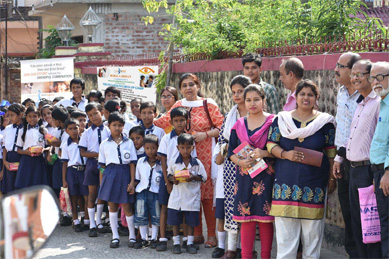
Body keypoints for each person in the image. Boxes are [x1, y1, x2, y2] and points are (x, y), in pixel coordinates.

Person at [267, 79, 336, 259]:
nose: (306, 98)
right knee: (285, 240)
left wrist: (331, 178)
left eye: (310, 95)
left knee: (312, 237)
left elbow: (330, 152)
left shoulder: (325, 122)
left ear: (316, 97)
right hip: (285, 184)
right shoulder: (281, 120)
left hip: (314, 186)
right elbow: (270, 144)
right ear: (295, 96)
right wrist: (285, 154)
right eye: (302, 94)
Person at [155, 73, 224, 247]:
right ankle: (197, 234)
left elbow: (223, 127)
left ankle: (211, 235)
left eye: (191, 84)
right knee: (191, 193)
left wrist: (205, 134)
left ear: (198, 85)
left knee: (207, 196)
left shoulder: (209, 104)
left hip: (205, 155)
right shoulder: (178, 105)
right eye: (184, 85)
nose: (188, 88)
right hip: (183, 156)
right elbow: (162, 122)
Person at [333, 59, 382, 258]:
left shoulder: (378, 103)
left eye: (360, 74)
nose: (355, 78)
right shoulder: (359, 103)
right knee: (355, 221)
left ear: (371, 78)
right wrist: (339, 157)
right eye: (353, 74)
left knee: (371, 224)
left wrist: (378, 172)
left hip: (368, 169)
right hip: (351, 168)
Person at [227, 84, 275, 259]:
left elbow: (281, 148)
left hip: (267, 176)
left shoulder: (273, 122)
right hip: (245, 176)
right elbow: (231, 151)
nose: (252, 103)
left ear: (264, 100)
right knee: (246, 219)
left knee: (265, 219)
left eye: (256, 99)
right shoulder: (239, 124)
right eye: (248, 100)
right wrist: (240, 161)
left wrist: (265, 152)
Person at [216, 75, 251, 258]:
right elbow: (222, 139)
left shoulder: (256, 111)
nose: (237, 95)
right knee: (232, 205)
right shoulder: (230, 116)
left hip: (253, 166)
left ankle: (247, 250)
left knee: (248, 206)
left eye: (240, 91)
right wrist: (228, 151)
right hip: (231, 166)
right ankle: (231, 249)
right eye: (234, 92)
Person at [332, 52, 361, 258]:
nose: (336, 69)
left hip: (361, 162)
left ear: (352, 71)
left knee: (362, 212)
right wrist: (337, 158)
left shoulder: (366, 96)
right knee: (347, 210)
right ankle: (353, 253)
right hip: (342, 159)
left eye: (341, 66)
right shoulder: (341, 92)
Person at [156, 107, 196, 251]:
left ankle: (185, 240)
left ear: (187, 121)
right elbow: (163, 159)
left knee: (184, 208)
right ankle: (162, 239)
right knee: (165, 207)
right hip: (169, 178)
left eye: (182, 120)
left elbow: (192, 159)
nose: (179, 123)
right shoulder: (167, 138)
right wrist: (167, 181)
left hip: (183, 181)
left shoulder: (189, 139)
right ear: (171, 122)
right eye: (176, 121)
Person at [98, 112, 137, 248]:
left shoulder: (129, 142)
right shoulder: (104, 144)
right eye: (114, 125)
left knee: (127, 206)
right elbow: (102, 166)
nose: (117, 128)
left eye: (120, 125)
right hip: (110, 175)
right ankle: (115, 236)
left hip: (125, 173)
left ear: (123, 126)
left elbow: (132, 163)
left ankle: (132, 236)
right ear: (108, 126)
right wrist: (102, 183)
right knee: (112, 206)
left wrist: (132, 182)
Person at [167, 133, 207, 254]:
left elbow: (204, 178)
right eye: (183, 147)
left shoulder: (197, 163)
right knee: (175, 222)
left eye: (188, 147)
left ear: (192, 148)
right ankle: (176, 243)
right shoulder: (174, 162)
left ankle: (189, 242)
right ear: (178, 147)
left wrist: (193, 177)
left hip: (191, 197)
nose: (185, 150)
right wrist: (173, 179)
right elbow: (169, 174)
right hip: (177, 196)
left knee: (190, 221)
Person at [79, 102, 110, 237]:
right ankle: (92, 224)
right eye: (90, 115)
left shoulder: (109, 129)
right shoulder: (86, 133)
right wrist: (98, 154)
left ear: (101, 112)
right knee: (92, 194)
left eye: (95, 113)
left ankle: (100, 223)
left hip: (106, 165)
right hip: (92, 164)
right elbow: (83, 152)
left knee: (104, 193)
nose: (94, 117)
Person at [369, 61, 389, 258]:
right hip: (378, 171)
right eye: (372, 78)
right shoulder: (382, 102)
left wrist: (387, 173)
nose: (375, 82)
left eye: (380, 77)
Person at [134, 134, 162, 249]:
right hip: (141, 192)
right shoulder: (140, 161)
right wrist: (132, 186)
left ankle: (154, 238)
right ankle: (144, 239)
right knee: (141, 215)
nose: (150, 151)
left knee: (156, 215)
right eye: (147, 148)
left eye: (153, 148)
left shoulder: (161, 163)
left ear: (157, 147)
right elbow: (137, 178)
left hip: (155, 193)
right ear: (144, 148)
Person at [61, 118, 89, 232]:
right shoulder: (66, 144)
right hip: (72, 171)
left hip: (84, 170)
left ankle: (86, 219)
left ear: (80, 128)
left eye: (75, 128)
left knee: (86, 196)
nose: (74, 131)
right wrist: (64, 179)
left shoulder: (84, 140)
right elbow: (64, 163)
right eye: (70, 129)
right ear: (66, 131)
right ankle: (75, 220)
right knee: (74, 197)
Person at [15, 106, 49, 189]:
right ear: (26, 117)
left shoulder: (43, 130)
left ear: (39, 117)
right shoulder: (22, 130)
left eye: (35, 116)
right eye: (29, 116)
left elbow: (49, 146)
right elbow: (18, 150)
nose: (32, 119)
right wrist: (26, 152)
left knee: (38, 186)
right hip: (26, 161)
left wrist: (43, 150)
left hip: (39, 161)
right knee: (26, 185)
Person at [1, 104, 24, 194]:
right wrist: (4, 162)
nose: (10, 118)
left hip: (21, 157)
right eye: (8, 115)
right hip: (9, 159)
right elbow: (5, 148)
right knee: (9, 187)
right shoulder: (8, 129)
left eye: (12, 115)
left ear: (20, 115)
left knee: (19, 186)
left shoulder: (25, 128)